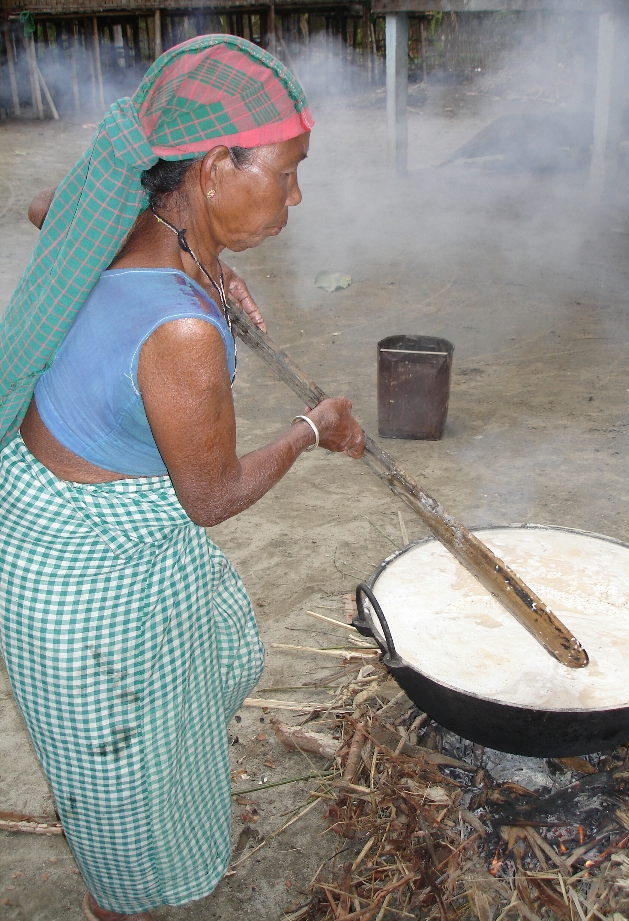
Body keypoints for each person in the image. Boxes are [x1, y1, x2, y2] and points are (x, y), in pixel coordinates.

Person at [0, 35, 364, 921]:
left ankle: (147, 842)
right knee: (123, 797)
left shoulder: (124, 219)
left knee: (185, 702)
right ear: (211, 167)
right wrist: (312, 428)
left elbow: (50, 208)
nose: (296, 195)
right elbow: (211, 497)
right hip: (84, 578)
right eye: (284, 174)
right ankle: (116, 900)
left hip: (78, 515)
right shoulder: (182, 338)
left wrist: (213, 270)